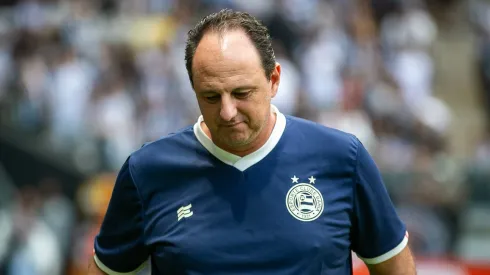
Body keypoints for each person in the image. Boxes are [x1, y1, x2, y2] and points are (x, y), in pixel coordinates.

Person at [89, 9, 416, 275]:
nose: (228, 111)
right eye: (211, 96)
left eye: (241, 93)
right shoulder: (148, 171)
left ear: (274, 80)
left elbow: (395, 267)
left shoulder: (342, 158)